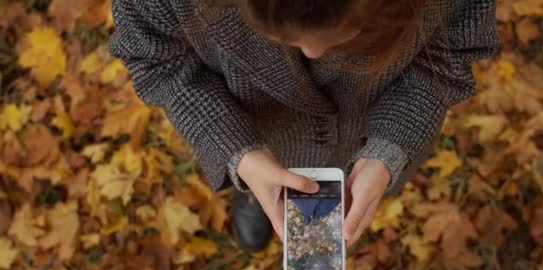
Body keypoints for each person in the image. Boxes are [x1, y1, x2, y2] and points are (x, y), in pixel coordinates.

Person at [109, 0, 498, 252]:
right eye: (282, 36)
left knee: (347, 191)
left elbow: (447, 57)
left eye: (347, 33)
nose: (313, 53)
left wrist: (389, 148)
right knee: (261, 186)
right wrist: (235, 152)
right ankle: (253, 198)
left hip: (368, 125)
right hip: (255, 124)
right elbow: (156, 62)